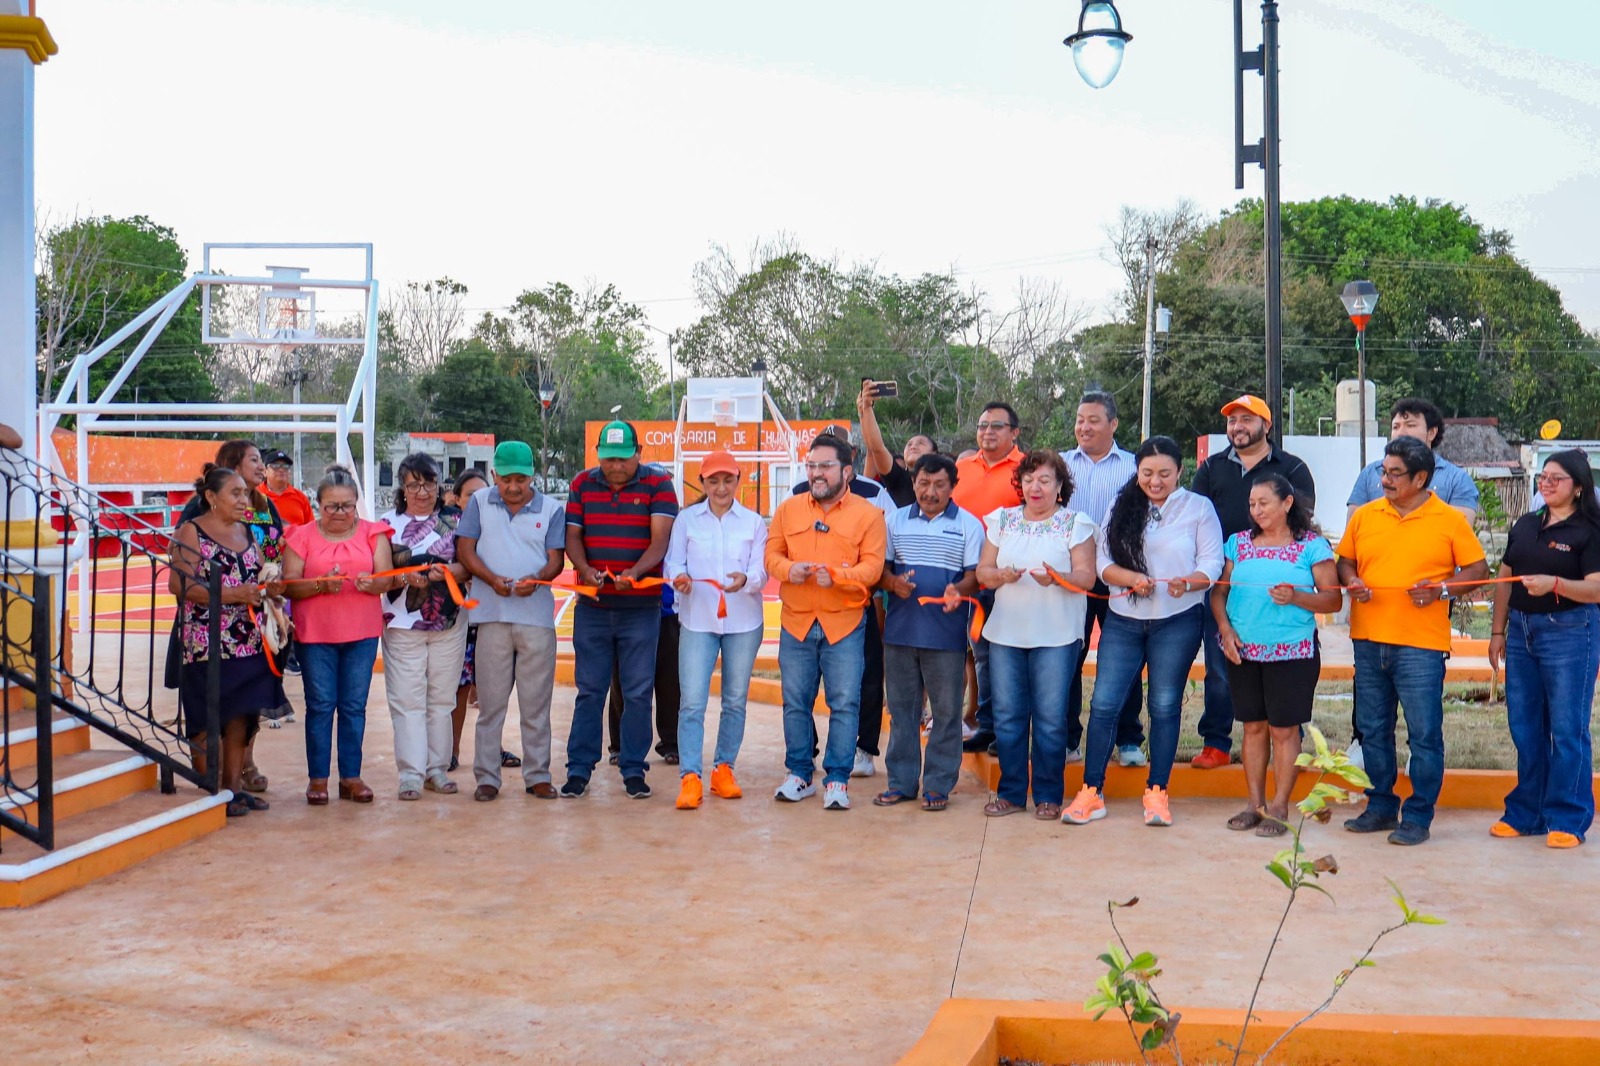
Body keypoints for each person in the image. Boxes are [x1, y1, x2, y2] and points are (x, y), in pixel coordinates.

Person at [1338, 435, 1489, 846]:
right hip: (1368, 640)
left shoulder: (1449, 520)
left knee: (1423, 734)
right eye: (1383, 472)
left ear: (1420, 478)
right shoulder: (1365, 515)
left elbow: (1478, 569)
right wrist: (1352, 580)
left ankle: (1419, 816)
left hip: (1421, 646)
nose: (1385, 480)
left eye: (1394, 474)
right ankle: (1380, 806)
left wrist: (1442, 590)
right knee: (1372, 729)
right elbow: (1346, 561)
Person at [1066, 436, 1223, 828]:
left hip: (1178, 620)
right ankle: (1091, 791)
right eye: (1147, 473)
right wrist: (1131, 578)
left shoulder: (1198, 508)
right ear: (1136, 472)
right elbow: (1102, 562)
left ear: (1180, 471)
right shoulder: (1121, 505)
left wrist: (1189, 582)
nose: (1155, 481)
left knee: (1164, 705)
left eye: (1164, 473)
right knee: (1104, 703)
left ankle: (1157, 792)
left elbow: (1212, 562)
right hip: (1123, 619)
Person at [1189, 394, 1316, 770]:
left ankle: (1290, 742)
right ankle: (1216, 742)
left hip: (1280, 589)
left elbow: (1303, 520)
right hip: (1226, 582)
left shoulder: (1292, 468)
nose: (1237, 427)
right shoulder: (1211, 468)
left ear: (1267, 425)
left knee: (1283, 670)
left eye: (1247, 419)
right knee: (1221, 667)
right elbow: (1195, 519)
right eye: (1232, 421)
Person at [1211, 474, 1342, 835]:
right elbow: (1218, 594)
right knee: (1253, 727)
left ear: (1287, 503)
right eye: (1252, 504)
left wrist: (1296, 596)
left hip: (1292, 652)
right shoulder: (1237, 544)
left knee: (1284, 730)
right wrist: (1225, 630)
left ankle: (1280, 806)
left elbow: (1333, 599)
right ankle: (1255, 805)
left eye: (1264, 503)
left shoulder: (1312, 546)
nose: (1257, 510)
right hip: (1243, 650)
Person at [767, 432, 886, 809]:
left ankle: (838, 779)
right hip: (797, 622)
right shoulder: (788, 510)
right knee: (795, 702)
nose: (816, 473)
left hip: (844, 624)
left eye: (825, 466)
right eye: (812, 466)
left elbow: (873, 568)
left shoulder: (869, 514)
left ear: (847, 471)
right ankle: (799, 774)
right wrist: (788, 569)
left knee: (845, 703)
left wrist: (838, 576)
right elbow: (771, 555)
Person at [1487, 449, 1600, 849]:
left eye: (1556, 478)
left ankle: (1568, 817)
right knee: (1525, 726)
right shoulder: (1526, 524)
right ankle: (1527, 813)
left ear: (1578, 487)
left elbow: (1596, 589)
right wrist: (1497, 631)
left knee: (1567, 729)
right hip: (1521, 632)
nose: (1546, 484)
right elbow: (1505, 579)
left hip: (1570, 631)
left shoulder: (1589, 531)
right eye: (1543, 477)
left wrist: (1555, 584)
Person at [976, 450, 1097, 819]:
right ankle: (1011, 793)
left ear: (1060, 486)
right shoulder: (1002, 519)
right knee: (1007, 716)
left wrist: (1059, 578)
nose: (1035, 487)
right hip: (1006, 633)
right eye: (1028, 480)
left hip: (1057, 636)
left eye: (1045, 480)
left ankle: (1048, 795)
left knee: (1050, 718)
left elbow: (1086, 577)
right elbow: (983, 571)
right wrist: (1000, 576)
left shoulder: (1075, 523)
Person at [167, 466, 289, 818]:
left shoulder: (247, 530)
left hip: (248, 640)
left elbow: (263, 570)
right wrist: (234, 594)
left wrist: (271, 586)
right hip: (206, 642)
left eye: (244, 493)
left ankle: (233, 790)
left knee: (242, 716)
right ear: (211, 497)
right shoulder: (191, 531)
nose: (243, 499)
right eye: (235, 493)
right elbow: (180, 585)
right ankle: (212, 792)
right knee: (207, 717)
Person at [564, 421, 678, 799]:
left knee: (638, 692)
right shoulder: (582, 483)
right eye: (609, 459)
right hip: (593, 606)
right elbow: (573, 537)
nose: (615, 466)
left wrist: (636, 572)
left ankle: (633, 769)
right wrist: (584, 570)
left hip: (640, 608)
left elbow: (660, 541)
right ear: (598, 454)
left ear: (639, 453)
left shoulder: (658, 484)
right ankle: (579, 769)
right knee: (589, 691)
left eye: (624, 459)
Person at [454, 442, 567, 801]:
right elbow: (465, 550)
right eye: (506, 479)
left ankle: (538, 776)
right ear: (494, 475)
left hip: (536, 620)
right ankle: (487, 778)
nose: (514, 487)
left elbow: (556, 560)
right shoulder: (478, 503)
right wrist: (491, 580)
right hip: (491, 617)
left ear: (533, 476)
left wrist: (537, 578)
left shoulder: (551, 509)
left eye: (521, 479)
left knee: (537, 706)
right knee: (491, 706)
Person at [876, 452, 984, 811]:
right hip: (900, 634)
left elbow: (974, 576)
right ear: (913, 483)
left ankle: (938, 785)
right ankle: (901, 782)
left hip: (946, 636)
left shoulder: (969, 525)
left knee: (947, 713)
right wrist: (892, 583)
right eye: (923, 483)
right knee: (902, 712)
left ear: (953, 487)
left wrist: (959, 590)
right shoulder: (894, 521)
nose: (930, 491)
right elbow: (881, 571)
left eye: (939, 484)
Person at [281, 466, 395, 805]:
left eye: (347, 505)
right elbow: (289, 585)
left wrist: (373, 584)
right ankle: (318, 778)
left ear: (356, 503)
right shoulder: (300, 536)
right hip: (315, 634)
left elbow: (387, 578)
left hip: (361, 633)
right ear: (318, 504)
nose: (340, 512)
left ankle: (350, 777)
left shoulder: (374, 533)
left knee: (354, 706)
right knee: (319, 705)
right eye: (331, 506)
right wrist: (319, 585)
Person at [665, 451, 769, 809]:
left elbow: (761, 571)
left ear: (738, 480)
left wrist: (747, 580)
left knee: (735, 701)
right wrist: (679, 578)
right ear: (703, 483)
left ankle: (723, 769)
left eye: (727, 480)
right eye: (713, 481)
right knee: (692, 702)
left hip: (743, 622)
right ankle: (690, 776)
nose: (721, 488)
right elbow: (673, 562)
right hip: (698, 620)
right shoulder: (686, 521)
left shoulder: (754, 523)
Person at [378, 452, 471, 800]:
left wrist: (448, 572)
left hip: (449, 621)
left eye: (429, 484)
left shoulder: (457, 520)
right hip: (402, 624)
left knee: (442, 699)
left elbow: (469, 564)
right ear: (402, 488)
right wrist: (405, 578)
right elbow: (380, 575)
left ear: (439, 485)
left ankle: (437, 769)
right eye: (414, 485)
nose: (422, 492)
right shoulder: (386, 524)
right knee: (407, 701)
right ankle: (411, 774)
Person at [1063, 390, 1145, 767]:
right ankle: (1067, 740)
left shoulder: (1134, 468)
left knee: (1123, 658)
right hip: (1072, 576)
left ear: (1113, 424)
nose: (1085, 427)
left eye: (1093, 420)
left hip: (1118, 574)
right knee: (1067, 657)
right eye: (1080, 420)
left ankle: (1128, 740)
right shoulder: (1060, 466)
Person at [952, 401, 1026, 756]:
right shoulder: (962, 468)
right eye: (982, 425)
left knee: (1009, 658)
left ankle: (1011, 731)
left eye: (997, 426)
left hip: (1009, 581)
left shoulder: (1027, 469)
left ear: (1014, 432)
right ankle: (988, 726)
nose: (988, 432)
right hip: (970, 581)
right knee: (982, 656)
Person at [441, 468, 501, 772]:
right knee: (460, 687)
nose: (478, 500)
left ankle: (493, 750)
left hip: (492, 613)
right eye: (471, 495)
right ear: (456, 498)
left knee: (494, 688)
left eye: (483, 494)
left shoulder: (496, 525)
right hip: (460, 615)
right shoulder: (447, 530)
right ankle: (451, 751)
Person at [1346, 398, 1479, 523]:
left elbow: (1458, 530)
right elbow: (1354, 528)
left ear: (1431, 432)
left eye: (1410, 425)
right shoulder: (1370, 473)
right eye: (1395, 427)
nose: (1401, 433)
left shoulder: (1456, 480)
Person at [857, 377, 935, 509]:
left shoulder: (946, 476)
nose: (913, 446)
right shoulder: (898, 480)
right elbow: (875, 448)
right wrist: (865, 409)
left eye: (921, 443)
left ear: (935, 454)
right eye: (909, 444)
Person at [260, 449, 314, 527]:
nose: (281, 470)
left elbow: (311, 527)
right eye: (275, 466)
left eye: (285, 466)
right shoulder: (255, 495)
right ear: (265, 471)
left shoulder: (301, 497)